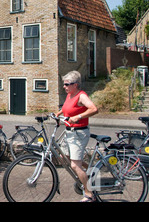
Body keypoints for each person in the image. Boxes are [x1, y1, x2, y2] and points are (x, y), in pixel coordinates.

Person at [56, 70, 98, 202]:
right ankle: (91, 171)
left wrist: (78, 116)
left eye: (67, 84)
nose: (64, 86)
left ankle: (89, 194)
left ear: (75, 85)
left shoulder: (81, 96)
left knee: (75, 166)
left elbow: (94, 109)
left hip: (79, 133)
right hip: (69, 131)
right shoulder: (70, 95)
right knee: (64, 156)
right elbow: (67, 108)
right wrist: (58, 113)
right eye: (64, 84)